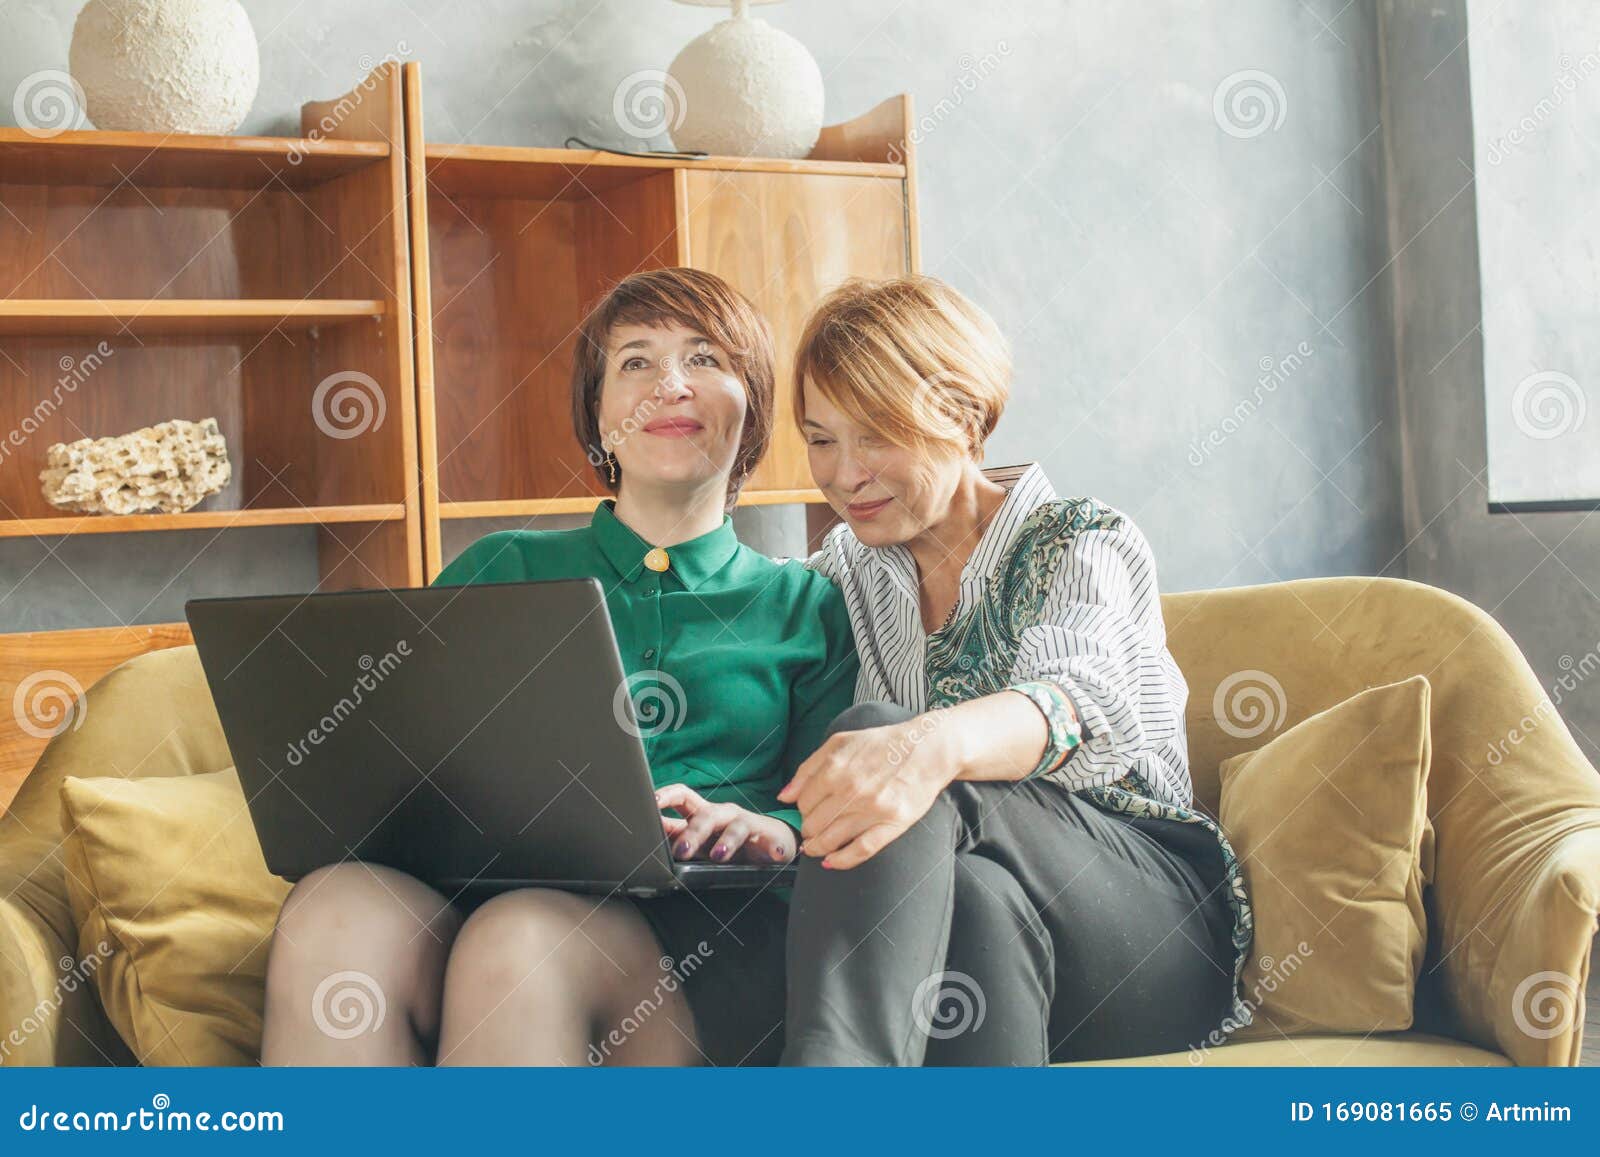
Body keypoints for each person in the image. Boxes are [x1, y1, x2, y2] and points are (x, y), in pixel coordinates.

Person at [260, 268, 857, 1066]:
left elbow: (836, 808)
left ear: (750, 407)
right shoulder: (501, 567)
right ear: (598, 414)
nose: (668, 386)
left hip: (697, 949)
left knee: (522, 940)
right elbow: (397, 765)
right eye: (636, 363)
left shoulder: (805, 603)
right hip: (475, 907)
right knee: (334, 907)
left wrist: (773, 831)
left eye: (705, 359)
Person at [777, 274, 1253, 1065]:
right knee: (975, 902)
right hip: (1002, 932)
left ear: (963, 418)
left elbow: (1079, 701)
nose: (844, 472)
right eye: (821, 437)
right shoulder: (847, 572)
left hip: (1149, 933)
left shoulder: (1080, 539)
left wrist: (930, 745)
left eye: (876, 434)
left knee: (893, 746)